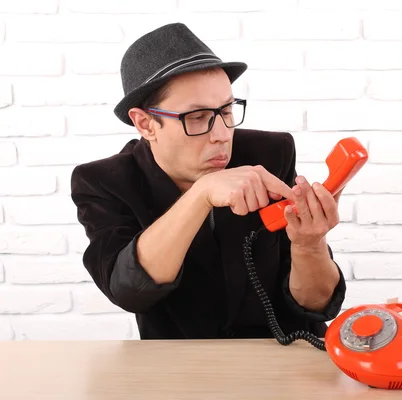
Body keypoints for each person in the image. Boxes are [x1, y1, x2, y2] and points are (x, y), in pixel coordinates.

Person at [70, 23, 347, 340]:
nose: (222, 135)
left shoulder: (272, 154)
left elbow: (315, 305)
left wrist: (309, 244)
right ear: (145, 124)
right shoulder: (103, 182)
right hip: (182, 372)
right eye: (197, 117)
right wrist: (201, 194)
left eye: (227, 110)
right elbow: (128, 289)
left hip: (285, 361)